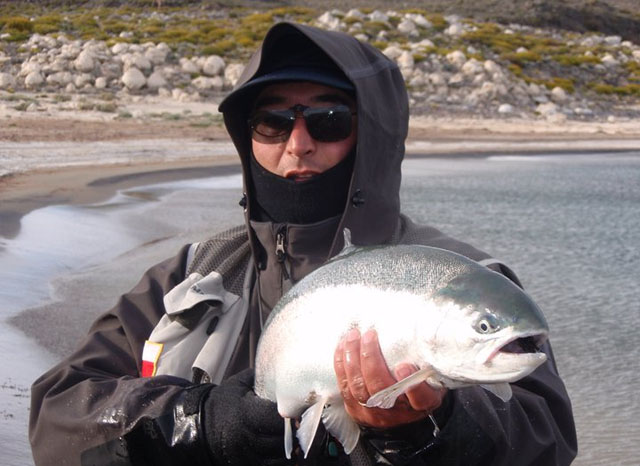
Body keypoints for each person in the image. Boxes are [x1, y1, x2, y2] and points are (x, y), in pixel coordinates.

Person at [29, 22, 577, 465]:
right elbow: (57, 415)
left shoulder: (469, 276)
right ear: (248, 137)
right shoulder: (193, 276)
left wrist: (428, 431)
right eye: (271, 121)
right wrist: (202, 422)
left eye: (329, 119)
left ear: (372, 136)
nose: (299, 144)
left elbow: (547, 437)